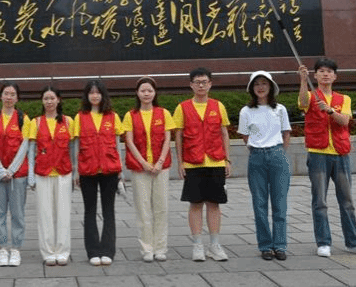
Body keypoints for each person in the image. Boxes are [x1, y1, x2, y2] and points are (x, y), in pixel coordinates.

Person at [299, 58, 356, 257]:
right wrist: (302, 80)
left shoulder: (344, 99)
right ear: (315, 75)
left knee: (347, 201)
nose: (325, 74)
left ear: (335, 76)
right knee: (320, 201)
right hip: (318, 154)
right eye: (321, 71)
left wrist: (330, 111)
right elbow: (303, 103)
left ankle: (354, 242)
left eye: (329, 71)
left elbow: (344, 121)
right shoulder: (311, 95)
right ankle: (323, 242)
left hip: (341, 154)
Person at [173, 67, 231, 262]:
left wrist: (227, 160)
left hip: (216, 161)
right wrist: (180, 162)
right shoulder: (182, 107)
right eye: (197, 82)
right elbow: (178, 136)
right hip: (192, 162)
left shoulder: (218, 106)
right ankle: (197, 245)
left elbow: (224, 133)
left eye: (204, 82)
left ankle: (214, 245)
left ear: (210, 84)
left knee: (214, 204)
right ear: (191, 85)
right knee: (195, 203)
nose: (201, 85)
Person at [238, 71, 291, 260]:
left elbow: (286, 133)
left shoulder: (280, 109)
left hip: (277, 155)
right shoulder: (246, 111)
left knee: (280, 204)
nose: (260, 87)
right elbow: (245, 135)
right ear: (252, 89)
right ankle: (266, 246)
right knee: (259, 204)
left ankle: (280, 245)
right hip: (257, 157)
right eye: (256, 84)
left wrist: (279, 152)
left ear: (271, 87)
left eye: (264, 83)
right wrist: (257, 148)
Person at [72, 79, 124, 266]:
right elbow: (76, 145)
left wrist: (120, 170)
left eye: (98, 92)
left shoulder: (112, 116)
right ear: (87, 96)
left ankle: (108, 250)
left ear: (103, 95)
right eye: (91, 92)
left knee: (109, 211)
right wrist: (76, 171)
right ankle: (93, 251)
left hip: (110, 169)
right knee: (90, 211)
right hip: (87, 170)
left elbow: (117, 144)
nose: (95, 96)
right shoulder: (80, 117)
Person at [123, 76, 174, 262]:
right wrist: (144, 163)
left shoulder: (163, 113)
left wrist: (160, 161)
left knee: (161, 208)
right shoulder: (130, 115)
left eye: (150, 90)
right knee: (143, 209)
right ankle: (147, 248)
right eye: (143, 90)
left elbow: (168, 139)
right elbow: (129, 141)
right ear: (137, 93)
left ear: (155, 93)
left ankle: (160, 248)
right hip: (140, 168)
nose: (146, 94)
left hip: (161, 168)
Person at [0, 82, 31, 267]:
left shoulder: (23, 118)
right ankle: (3, 248)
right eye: (6, 94)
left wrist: (11, 170)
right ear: (0, 96)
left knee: (18, 213)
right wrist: (0, 169)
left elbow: (24, 146)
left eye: (12, 94)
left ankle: (16, 249)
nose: (9, 97)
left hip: (17, 175)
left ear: (17, 98)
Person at [27, 85, 74, 266]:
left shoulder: (68, 122)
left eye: (52, 98)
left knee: (63, 214)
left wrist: (75, 172)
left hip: (63, 173)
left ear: (58, 100)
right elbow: (31, 150)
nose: (49, 102)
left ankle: (62, 251)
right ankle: (47, 252)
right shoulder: (36, 122)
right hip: (43, 173)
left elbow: (72, 149)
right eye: (46, 98)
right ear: (42, 101)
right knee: (45, 214)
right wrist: (31, 174)